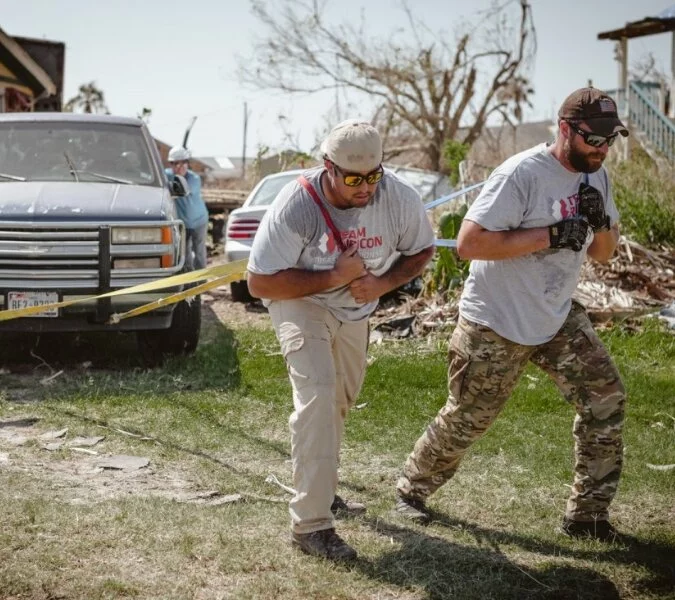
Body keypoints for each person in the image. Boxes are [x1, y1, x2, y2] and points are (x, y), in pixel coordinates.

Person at [395, 87, 629, 542]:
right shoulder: (521, 174)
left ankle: (587, 516)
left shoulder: (596, 177)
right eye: (592, 140)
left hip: (556, 314)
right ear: (565, 129)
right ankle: (410, 490)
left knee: (606, 398)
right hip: (495, 321)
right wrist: (551, 234)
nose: (601, 149)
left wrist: (600, 222)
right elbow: (469, 244)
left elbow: (603, 254)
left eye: (609, 141)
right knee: (469, 417)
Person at [247, 120, 435, 560]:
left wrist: (382, 284)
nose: (365, 188)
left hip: (356, 309)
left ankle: (323, 491)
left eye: (373, 176)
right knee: (318, 397)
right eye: (353, 179)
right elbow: (259, 283)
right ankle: (311, 526)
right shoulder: (297, 205)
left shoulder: (399, 198)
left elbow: (422, 250)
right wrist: (334, 276)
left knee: (338, 404)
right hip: (300, 304)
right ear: (327, 167)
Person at [165, 146, 209, 270]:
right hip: (182, 223)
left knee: (199, 251)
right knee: (184, 253)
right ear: (171, 164)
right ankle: (189, 283)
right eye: (176, 163)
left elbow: (181, 190)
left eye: (183, 163)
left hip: (199, 221)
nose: (180, 167)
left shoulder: (194, 179)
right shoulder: (166, 174)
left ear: (187, 163)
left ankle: (201, 282)